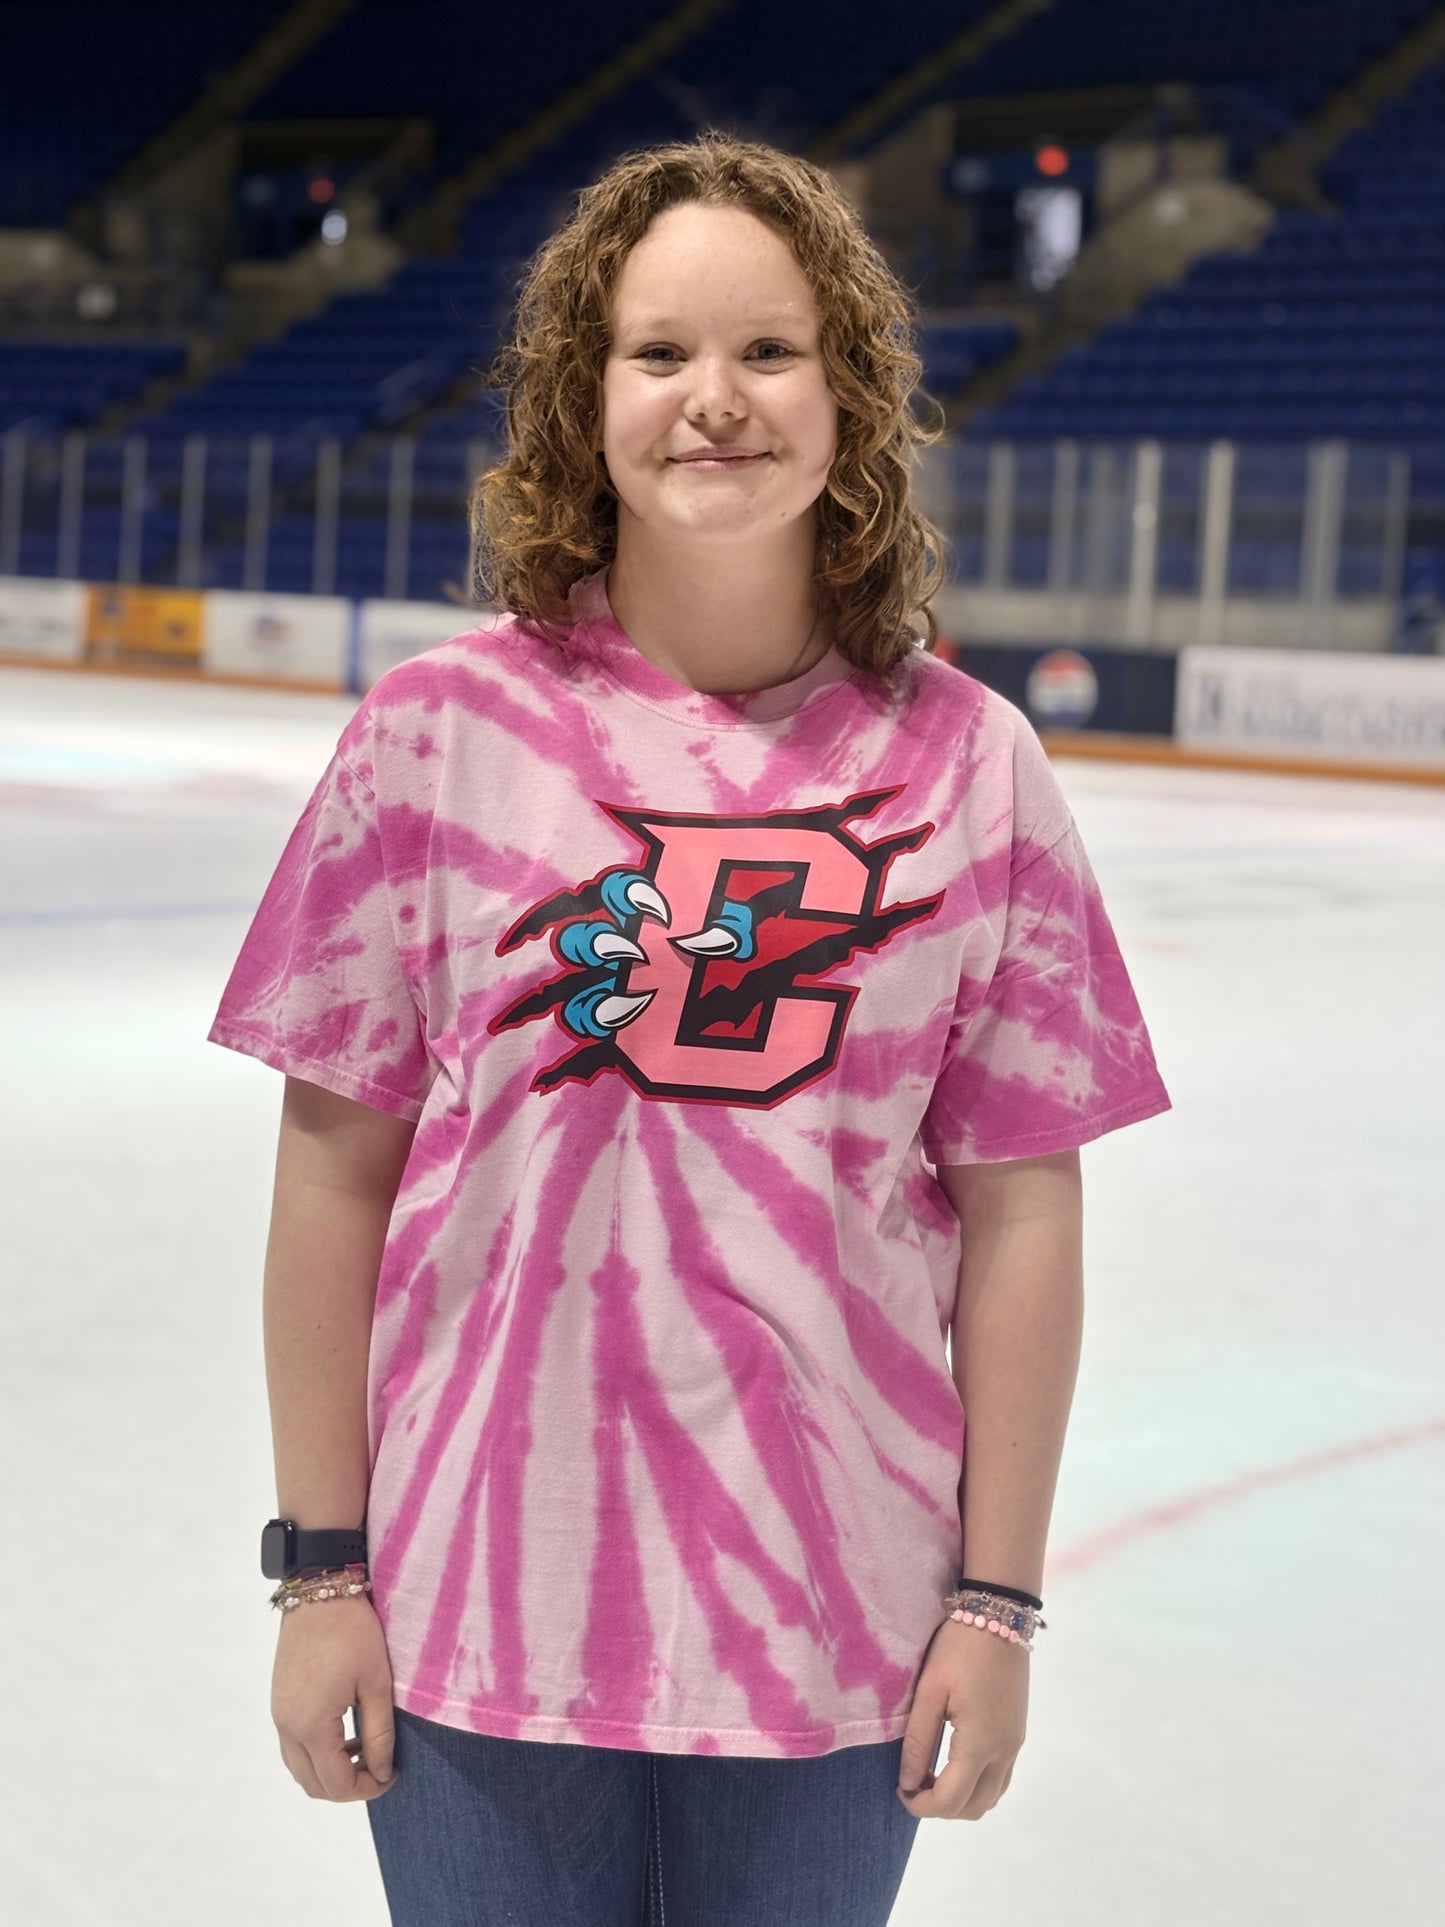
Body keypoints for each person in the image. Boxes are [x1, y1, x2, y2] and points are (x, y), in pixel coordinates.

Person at [208, 131, 1172, 1926]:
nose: (710, 401)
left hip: (839, 1622)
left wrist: (994, 1602)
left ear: (848, 396)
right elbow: (335, 1181)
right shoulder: (433, 739)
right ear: (585, 398)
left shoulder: (969, 764)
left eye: (767, 352)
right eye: (657, 354)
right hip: (479, 1606)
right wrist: (319, 1573)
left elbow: (1023, 1216)